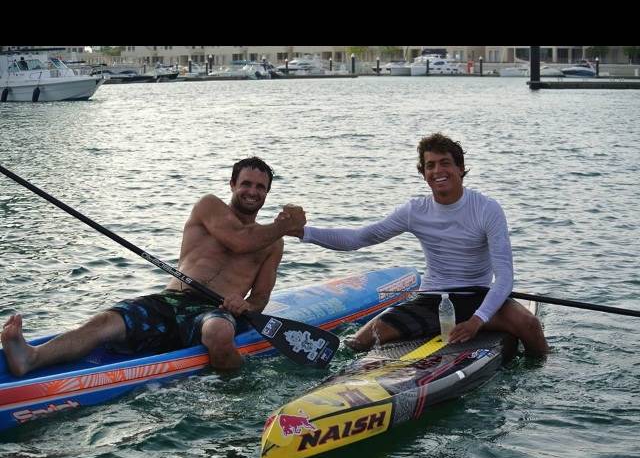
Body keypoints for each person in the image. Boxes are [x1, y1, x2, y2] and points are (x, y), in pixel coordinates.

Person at [2, 157, 307, 375]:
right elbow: (239, 240)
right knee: (105, 322)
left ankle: (233, 393)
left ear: (267, 193)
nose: (252, 191)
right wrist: (284, 224)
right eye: (246, 184)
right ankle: (31, 357)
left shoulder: (272, 243)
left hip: (215, 312)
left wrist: (245, 305)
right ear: (232, 184)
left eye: (260, 187)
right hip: (171, 301)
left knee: (218, 333)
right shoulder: (209, 206)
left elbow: (261, 297)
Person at [288, 133, 548, 356]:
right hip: (432, 299)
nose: (437, 171)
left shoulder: (487, 209)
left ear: (460, 168)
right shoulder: (415, 211)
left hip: (477, 296)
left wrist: (477, 321)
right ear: (423, 174)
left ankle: (543, 369)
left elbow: (504, 277)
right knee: (360, 342)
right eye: (430, 165)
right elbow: (359, 238)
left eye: (445, 163)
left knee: (530, 325)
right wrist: (301, 232)